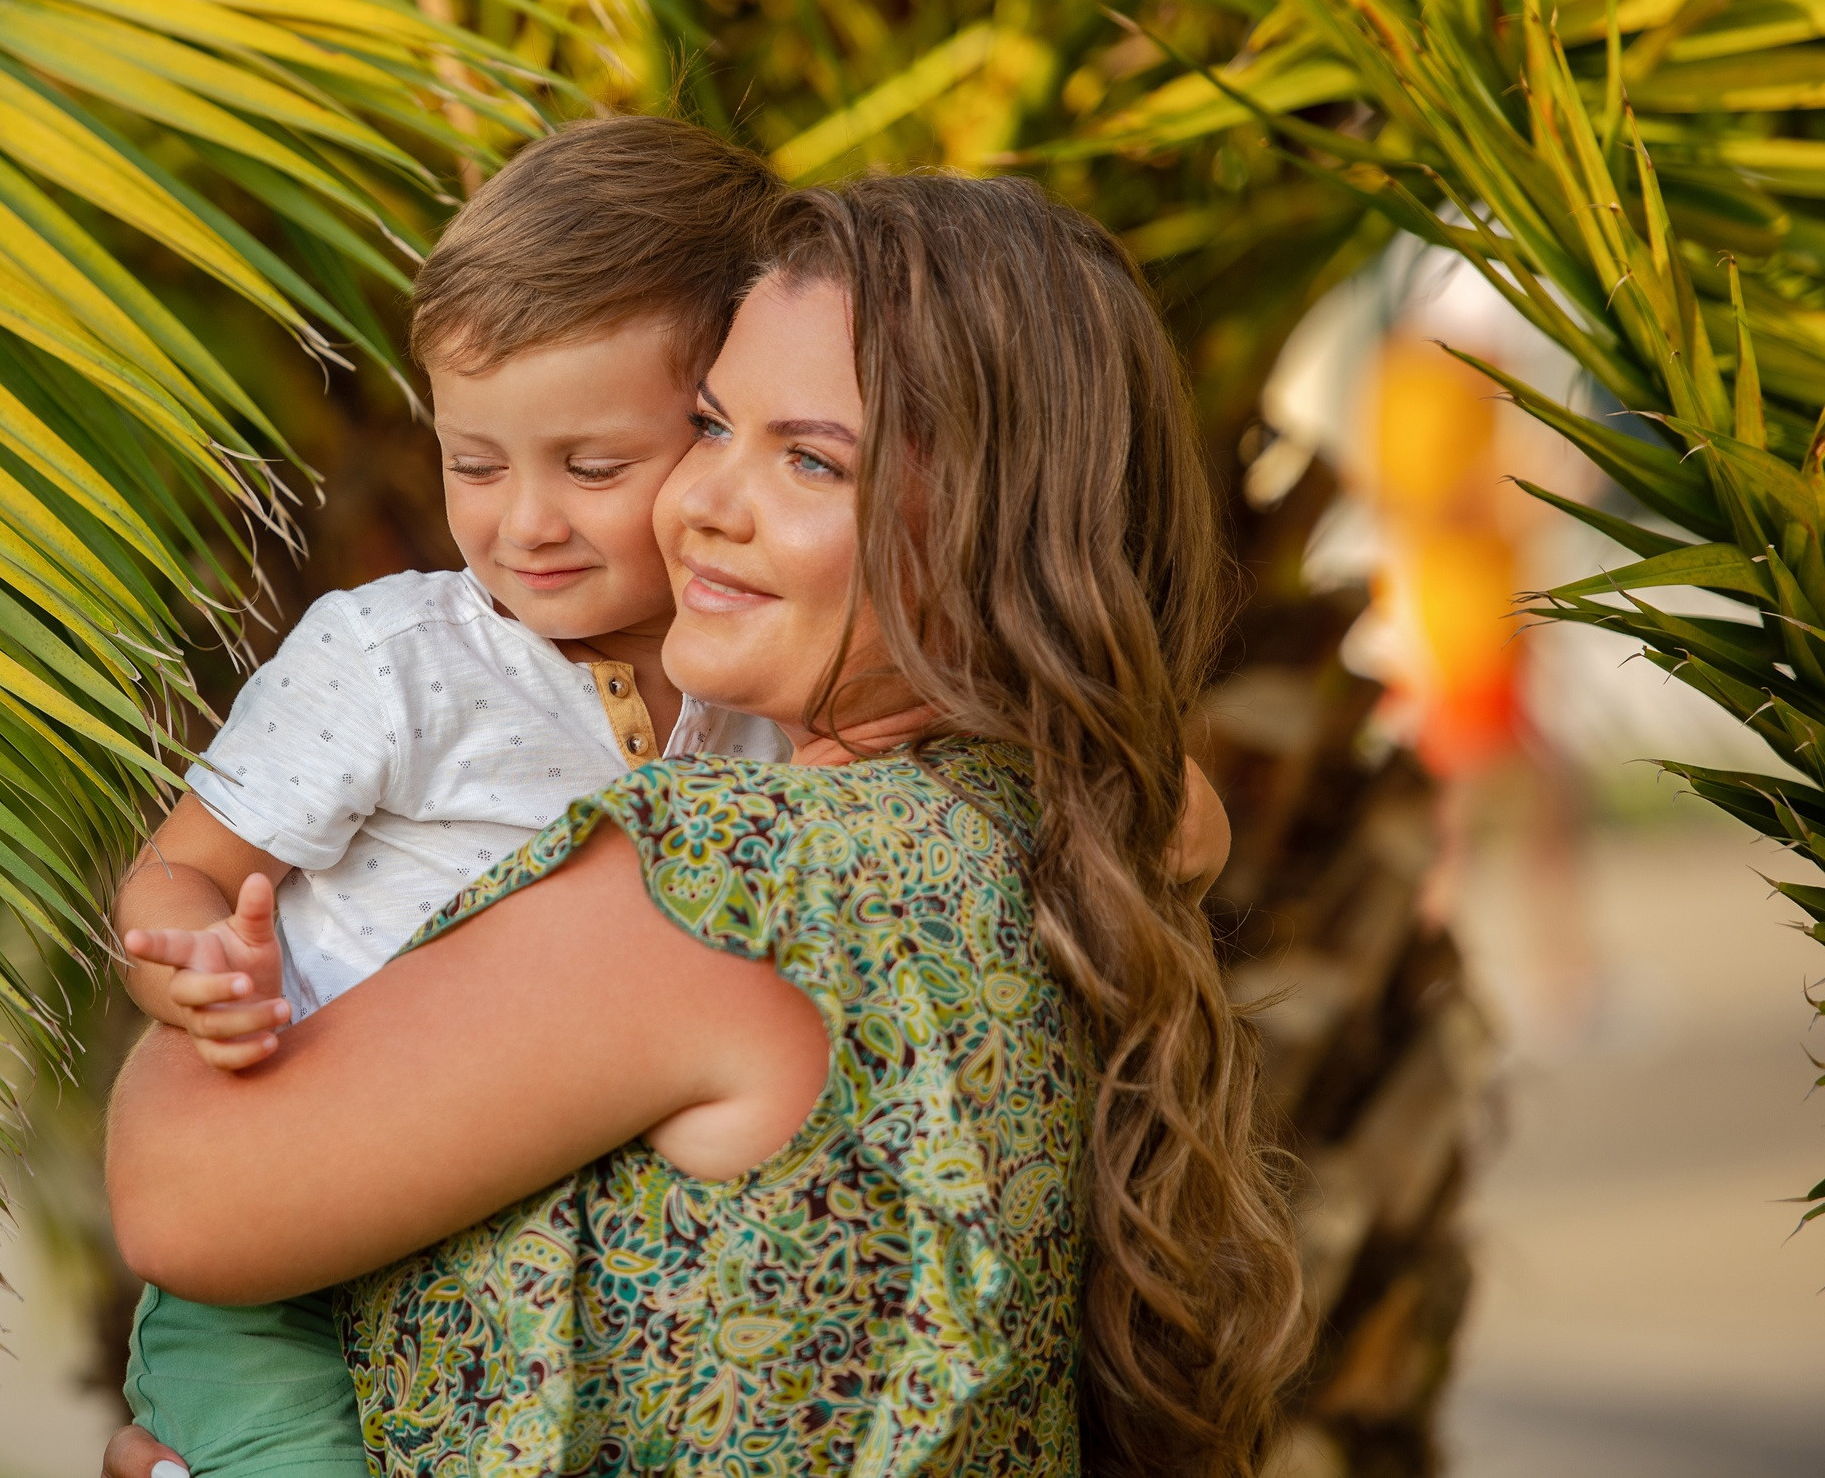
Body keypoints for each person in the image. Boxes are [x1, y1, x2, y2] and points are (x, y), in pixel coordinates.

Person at [106, 172, 1303, 1477]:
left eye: (807, 457)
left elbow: (181, 1193)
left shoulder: (739, 881)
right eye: (710, 425)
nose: (698, 504)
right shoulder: (1042, 834)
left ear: (990, 523)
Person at [108, 115, 790, 1478]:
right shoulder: (394, 658)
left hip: (517, 1266)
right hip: (277, 1292)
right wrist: (194, 973)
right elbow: (175, 870)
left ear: (725, 436)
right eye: (473, 462)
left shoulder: (759, 689)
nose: (521, 521)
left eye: (592, 467)